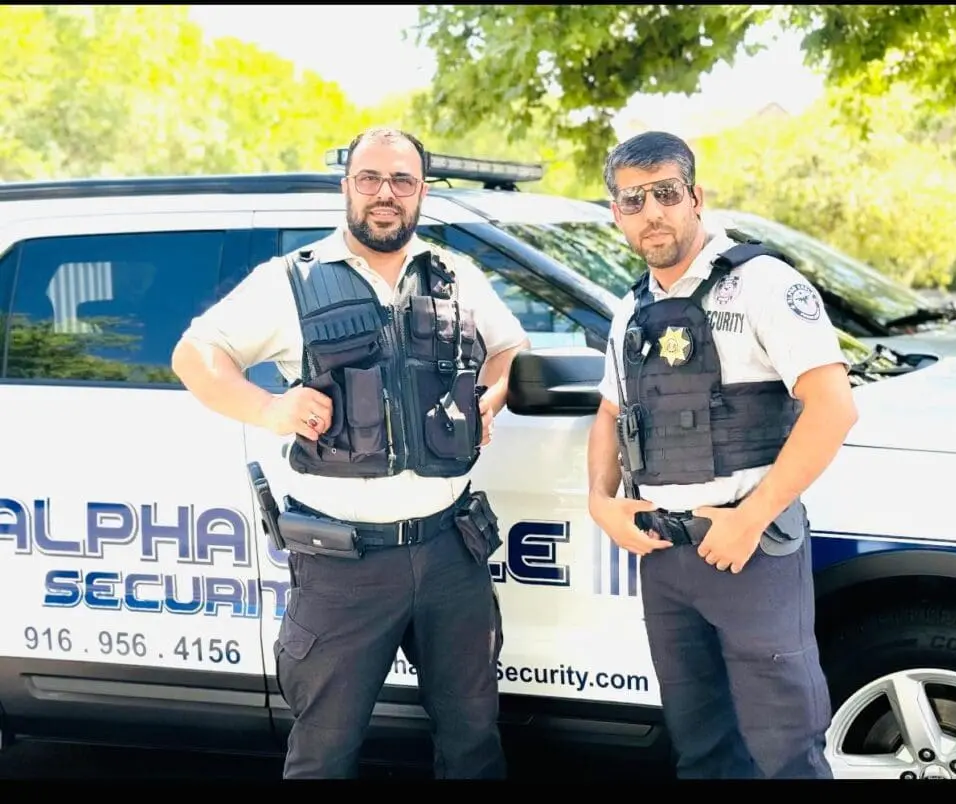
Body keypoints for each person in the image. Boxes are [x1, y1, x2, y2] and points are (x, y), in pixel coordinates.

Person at [170, 127, 529, 779]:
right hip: (345, 566)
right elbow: (194, 355)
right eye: (370, 178)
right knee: (324, 753)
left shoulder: (456, 276)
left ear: (422, 192)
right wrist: (270, 409)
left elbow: (510, 348)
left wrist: (492, 397)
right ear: (347, 187)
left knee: (474, 740)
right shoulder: (291, 280)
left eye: (402, 180)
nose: (385, 193)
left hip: (451, 552)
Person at [586, 130, 858, 779]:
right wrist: (600, 502)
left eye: (666, 193)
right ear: (618, 214)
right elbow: (611, 413)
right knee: (701, 748)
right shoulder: (631, 309)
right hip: (664, 555)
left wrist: (751, 519)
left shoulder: (762, 284)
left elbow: (833, 407)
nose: (652, 212)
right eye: (633, 200)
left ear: (695, 197)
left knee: (785, 750)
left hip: (751, 551)